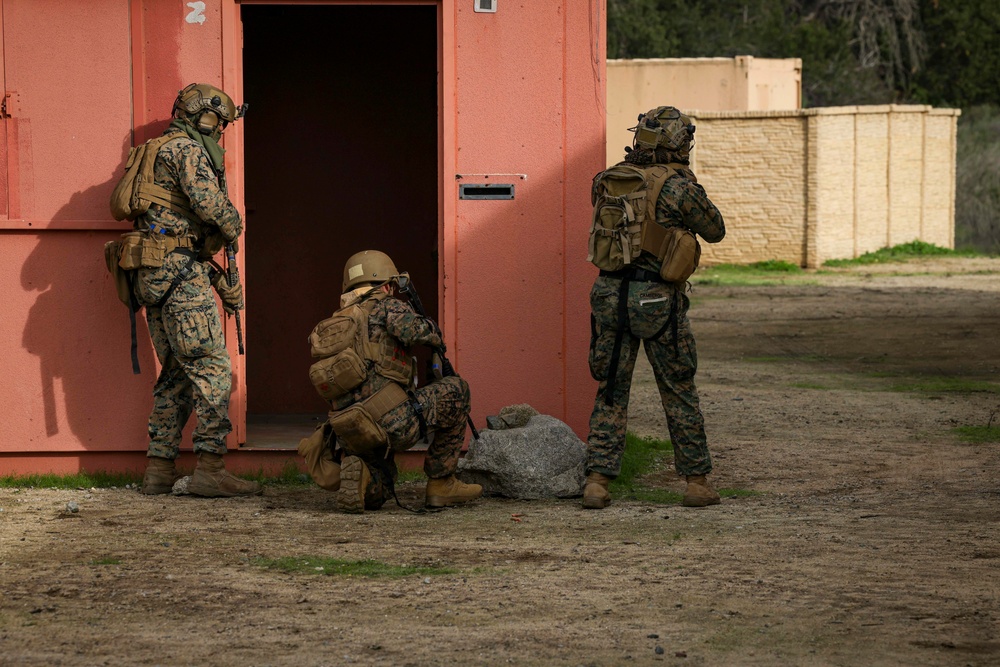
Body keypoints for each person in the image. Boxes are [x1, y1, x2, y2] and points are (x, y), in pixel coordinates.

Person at [583, 106, 726, 509]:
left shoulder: (607, 180)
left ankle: (597, 481)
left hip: (610, 297)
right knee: (678, 388)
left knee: (611, 390)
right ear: (676, 142)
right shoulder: (679, 187)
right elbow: (715, 230)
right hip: (657, 301)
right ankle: (696, 482)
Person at [134, 83, 260, 497]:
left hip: (154, 275)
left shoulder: (153, 150)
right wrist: (234, 224)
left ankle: (159, 469)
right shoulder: (185, 150)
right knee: (212, 370)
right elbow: (209, 205)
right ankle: (210, 467)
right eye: (216, 120)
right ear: (196, 114)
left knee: (175, 376)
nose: (220, 129)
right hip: (181, 275)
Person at [298, 250, 482, 513]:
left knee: (382, 486)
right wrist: (432, 331)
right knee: (457, 390)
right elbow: (415, 331)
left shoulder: (333, 322)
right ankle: (442, 483)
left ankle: (362, 475)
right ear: (385, 284)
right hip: (393, 421)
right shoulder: (386, 305)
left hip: (351, 430)